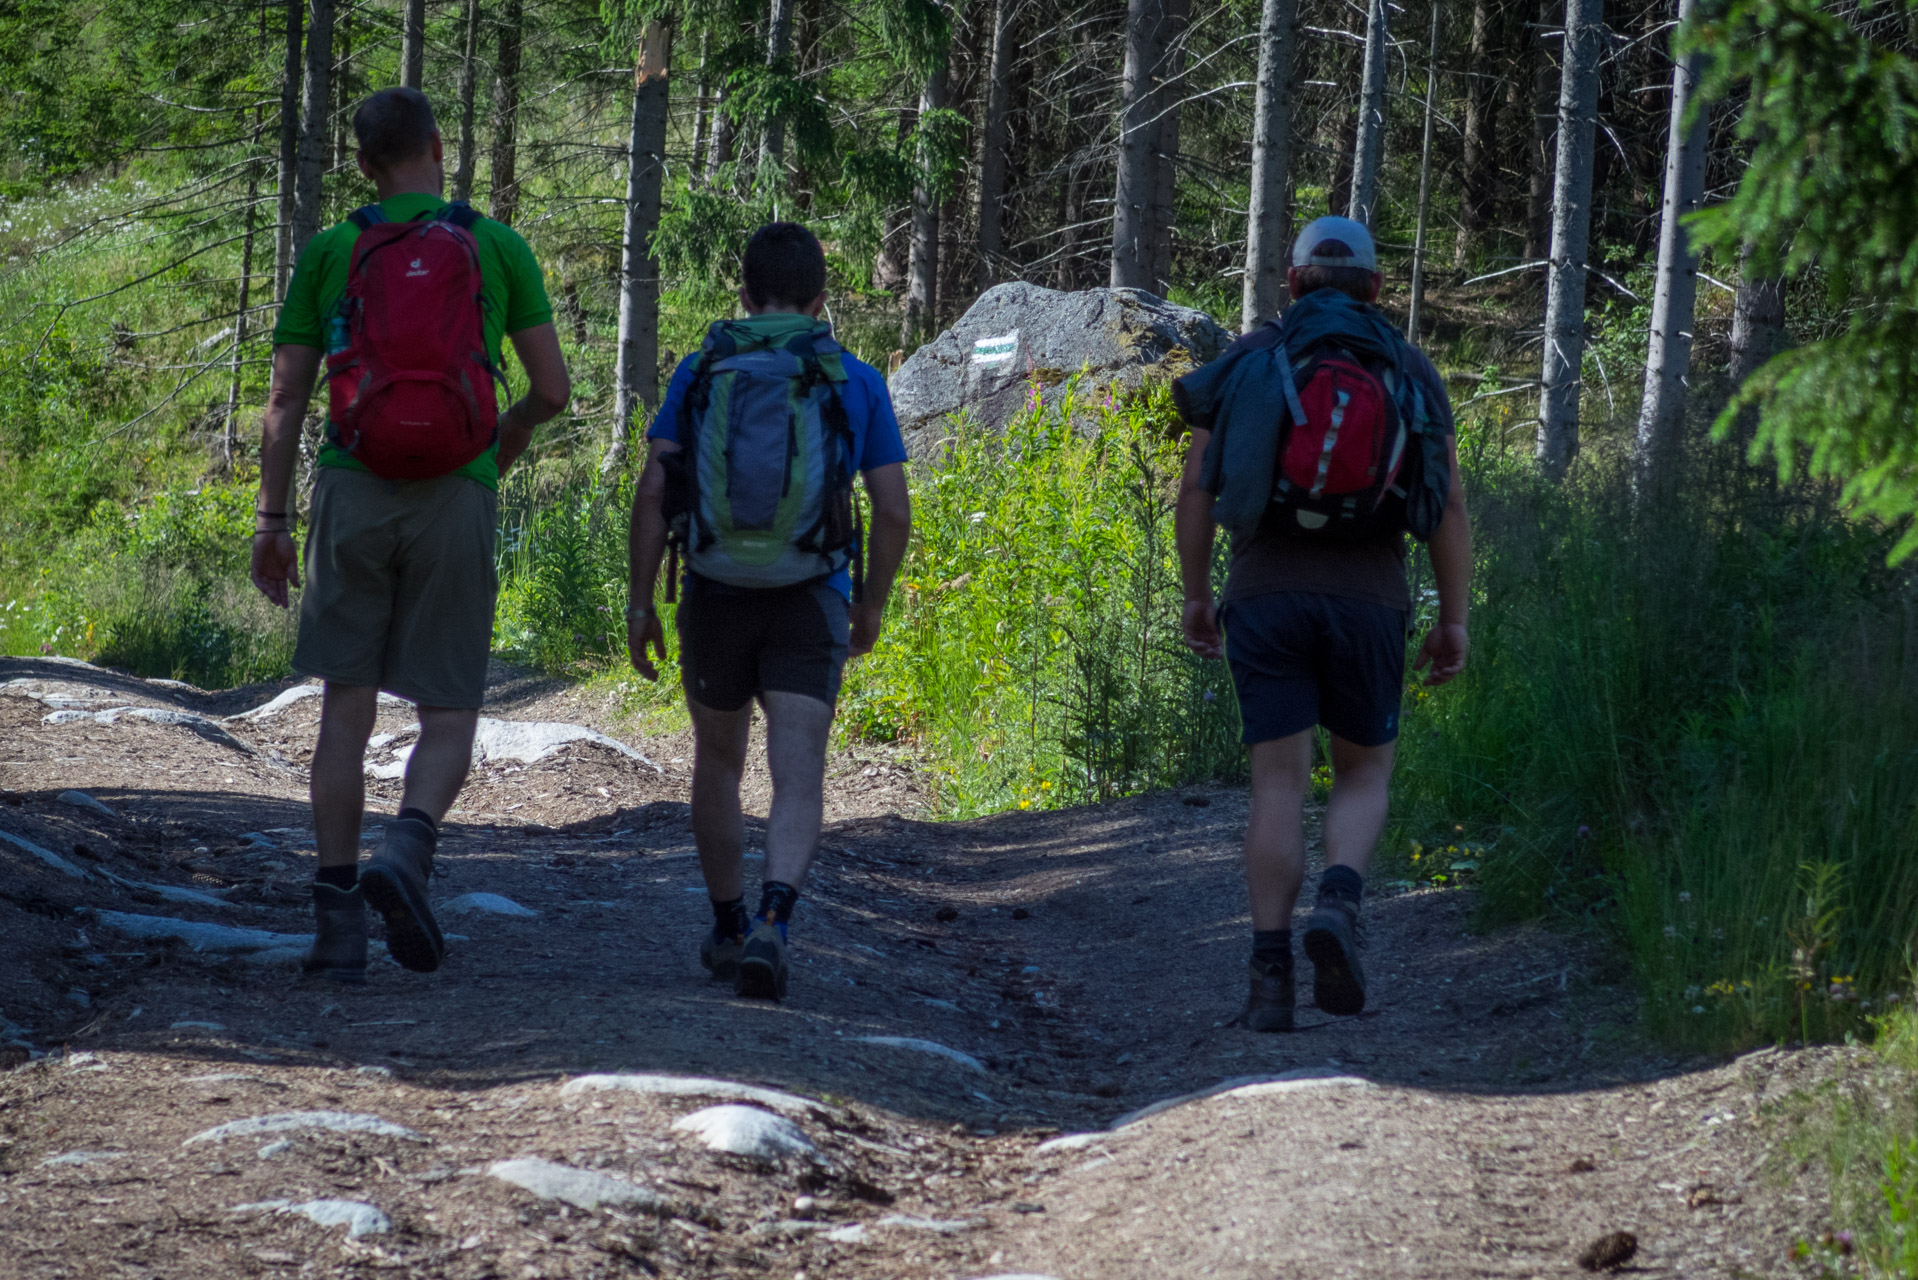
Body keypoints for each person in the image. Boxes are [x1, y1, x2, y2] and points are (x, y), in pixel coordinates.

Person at [250, 86, 571, 983]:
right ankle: (410, 851)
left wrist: (273, 522)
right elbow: (550, 390)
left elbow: (286, 399)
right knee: (449, 708)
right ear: (438, 145)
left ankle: (337, 921)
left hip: (353, 489)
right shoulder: (496, 244)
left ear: (362, 165)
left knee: (345, 712)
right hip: (456, 493)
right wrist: (491, 453)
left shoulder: (330, 249)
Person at [1172, 215, 1472, 1031]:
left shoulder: (1253, 359)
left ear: (1292, 281)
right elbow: (1443, 501)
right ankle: (1339, 901)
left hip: (1266, 592)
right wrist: (1454, 619)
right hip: (1371, 599)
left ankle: (1270, 980)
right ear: (1377, 287)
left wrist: (1197, 593)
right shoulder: (1407, 366)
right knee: (1363, 771)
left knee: (1278, 781)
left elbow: (1198, 486)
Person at [625, 222, 912, 1002]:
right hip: (809, 592)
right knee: (797, 773)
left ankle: (725, 924)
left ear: (743, 294)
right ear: (823, 301)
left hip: (715, 591)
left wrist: (639, 602)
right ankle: (774, 922)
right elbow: (891, 509)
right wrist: (871, 602)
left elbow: (655, 493)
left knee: (718, 762)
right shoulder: (850, 376)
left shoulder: (699, 371)